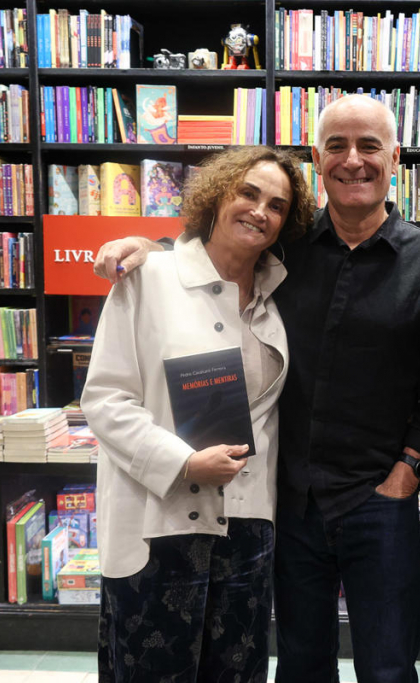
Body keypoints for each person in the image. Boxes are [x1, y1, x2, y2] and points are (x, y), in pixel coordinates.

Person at [94, 95, 420, 683]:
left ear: (395, 157)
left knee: (389, 666)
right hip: (289, 503)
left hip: (380, 500)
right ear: (318, 158)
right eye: (337, 146)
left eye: (370, 146)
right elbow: (216, 261)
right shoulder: (284, 251)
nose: (354, 160)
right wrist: (154, 249)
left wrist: (409, 470)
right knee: (299, 663)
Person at [81, 146, 315, 683]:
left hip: (247, 529)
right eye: (249, 193)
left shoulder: (278, 296)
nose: (260, 211)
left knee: (238, 672)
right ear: (218, 194)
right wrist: (184, 463)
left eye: (277, 205)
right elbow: (105, 400)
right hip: (158, 524)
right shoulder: (146, 279)